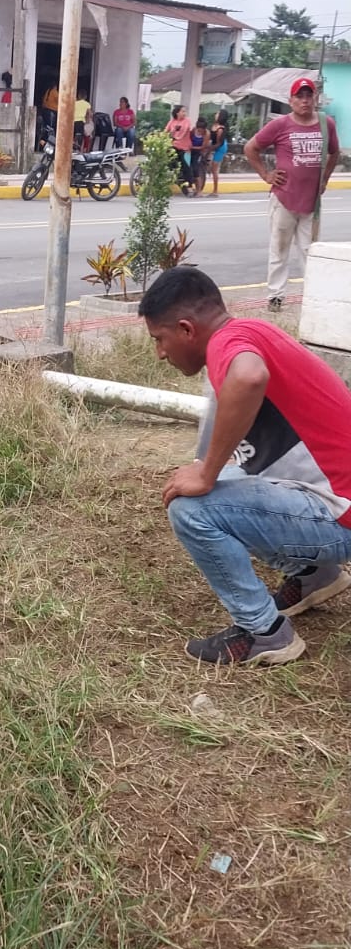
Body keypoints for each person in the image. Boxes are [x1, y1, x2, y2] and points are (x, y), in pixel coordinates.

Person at [137, 266, 351, 667]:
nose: (160, 353)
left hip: (340, 515)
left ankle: (264, 633)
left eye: (159, 339)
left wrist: (206, 474)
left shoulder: (228, 344)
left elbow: (249, 377)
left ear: (186, 329)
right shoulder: (249, 332)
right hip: (334, 499)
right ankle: (315, 574)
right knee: (220, 480)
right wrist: (207, 468)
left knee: (191, 509)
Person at [244, 78, 339, 311]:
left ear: (315, 98)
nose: (305, 101)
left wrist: (325, 179)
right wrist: (266, 175)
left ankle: (312, 297)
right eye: (299, 96)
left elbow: (334, 153)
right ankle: (276, 297)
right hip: (284, 198)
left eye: (309, 96)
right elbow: (251, 148)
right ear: (291, 101)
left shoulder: (326, 124)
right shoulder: (280, 125)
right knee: (279, 248)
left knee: (310, 250)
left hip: (312, 201)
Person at [164, 104, 194, 189]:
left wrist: (177, 137)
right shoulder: (172, 121)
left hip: (184, 147)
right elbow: (165, 131)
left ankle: (189, 186)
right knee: (168, 160)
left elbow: (184, 131)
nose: (184, 113)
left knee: (186, 166)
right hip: (174, 146)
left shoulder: (187, 121)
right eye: (183, 111)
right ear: (177, 113)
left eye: (185, 111)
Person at [207, 108, 229, 196]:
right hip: (215, 145)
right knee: (211, 166)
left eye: (217, 114)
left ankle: (215, 190)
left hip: (220, 147)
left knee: (214, 169)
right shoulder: (214, 125)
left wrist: (210, 149)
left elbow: (219, 143)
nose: (215, 115)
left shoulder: (220, 129)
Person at [190, 115, 210, 193]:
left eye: (201, 131)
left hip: (199, 151)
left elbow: (203, 147)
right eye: (198, 130)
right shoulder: (193, 130)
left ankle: (198, 190)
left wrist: (192, 147)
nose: (199, 132)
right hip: (191, 150)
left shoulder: (207, 134)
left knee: (196, 169)